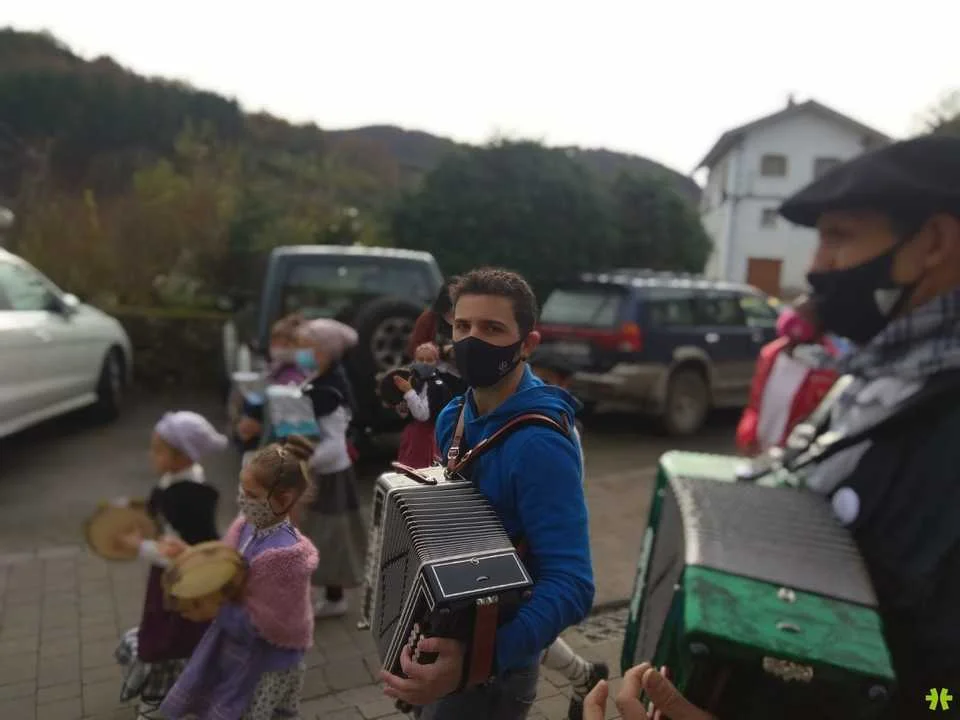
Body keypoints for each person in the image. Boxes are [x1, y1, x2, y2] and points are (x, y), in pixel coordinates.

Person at [616, 135, 960, 717]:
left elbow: (943, 697)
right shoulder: (870, 381)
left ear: (933, 243)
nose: (815, 266)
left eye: (839, 236)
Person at [381, 268, 594, 719]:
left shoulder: (540, 444)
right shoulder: (453, 416)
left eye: (492, 328)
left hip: (496, 671)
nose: (472, 340)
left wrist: (476, 662)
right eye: (462, 326)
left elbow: (573, 584)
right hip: (451, 627)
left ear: (527, 344)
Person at [160, 435, 320, 720]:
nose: (243, 500)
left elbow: (266, 621)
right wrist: (190, 554)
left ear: (283, 500)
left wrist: (214, 608)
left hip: (269, 663)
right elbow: (224, 564)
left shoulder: (287, 557)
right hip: (238, 649)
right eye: (242, 490)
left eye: (252, 495)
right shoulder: (244, 526)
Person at [114, 411, 227, 720]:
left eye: (158, 449)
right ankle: (191, 691)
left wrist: (139, 547)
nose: (151, 455)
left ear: (181, 456)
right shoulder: (176, 483)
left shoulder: (188, 498)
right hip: (170, 579)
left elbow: (182, 554)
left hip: (181, 582)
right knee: (175, 635)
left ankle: (157, 700)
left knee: (169, 639)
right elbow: (158, 512)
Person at [528, 347, 607, 720]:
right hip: (524, 539)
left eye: (545, 380)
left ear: (564, 385)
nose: (536, 386)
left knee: (522, 626)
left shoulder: (561, 429)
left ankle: (584, 676)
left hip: (540, 541)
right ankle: (584, 675)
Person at [292, 318, 368, 619]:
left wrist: (304, 461)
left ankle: (333, 598)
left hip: (330, 475)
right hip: (323, 471)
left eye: (306, 347)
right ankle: (319, 593)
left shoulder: (328, 392)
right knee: (321, 534)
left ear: (324, 352)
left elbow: (334, 444)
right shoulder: (320, 381)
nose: (300, 353)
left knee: (330, 536)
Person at [734, 298, 840, 455]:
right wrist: (747, 434)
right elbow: (755, 403)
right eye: (794, 311)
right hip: (759, 448)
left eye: (804, 315)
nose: (793, 318)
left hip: (793, 452)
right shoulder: (770, 354)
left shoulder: (828, 366)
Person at [393, 341, 456, 468]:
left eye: (429, 360)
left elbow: (423, 415)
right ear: (415, 361)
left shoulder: (437, 386)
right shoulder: (416, 381)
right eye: (420, 359)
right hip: (414, 436)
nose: (424, 363)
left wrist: (409, 391)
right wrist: (403, 409)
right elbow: (409, 413)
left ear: (436, 362)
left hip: (429, 438)